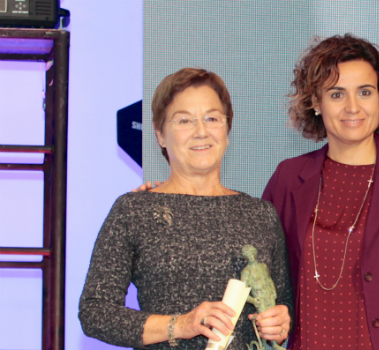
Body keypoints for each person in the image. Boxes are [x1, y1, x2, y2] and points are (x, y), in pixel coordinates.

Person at [79, 68, 293, 349]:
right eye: (184, 121)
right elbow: (95, 312)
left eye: (212, 118)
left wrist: (280, 322)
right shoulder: (134, 210)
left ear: (227, 130)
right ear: (160, 135)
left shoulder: (260, 214)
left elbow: (283, 301)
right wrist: (181, 324)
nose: (201, 131)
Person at [261, 34, 379, 350]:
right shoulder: (288, 179)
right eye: (336, 94)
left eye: (365, 92)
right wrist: (163, 193)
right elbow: (250, 254)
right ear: (316, 103)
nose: (353, 107)